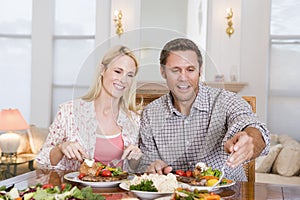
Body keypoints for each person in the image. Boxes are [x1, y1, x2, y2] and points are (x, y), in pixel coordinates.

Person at [138, 38, 270, 181]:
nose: (183, 78)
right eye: (175, 70)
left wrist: (251, 139)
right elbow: (146, 164)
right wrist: (154, 167)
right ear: (163, 72)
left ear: (200, 70)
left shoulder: (226, 100)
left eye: (190, 70)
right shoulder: (150, 114)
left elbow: (251, 125)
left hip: (229, 194)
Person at [36, 45, 142, 172]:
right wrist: (61, 148)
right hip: (79, 191)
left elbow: (135, 170)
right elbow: (41, 161)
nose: (123, 80)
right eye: (118, 71)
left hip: (119, 191)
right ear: (103, 70)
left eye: (130, 75)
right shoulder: (68, 112)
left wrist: (135, 159)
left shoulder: (135, 120)